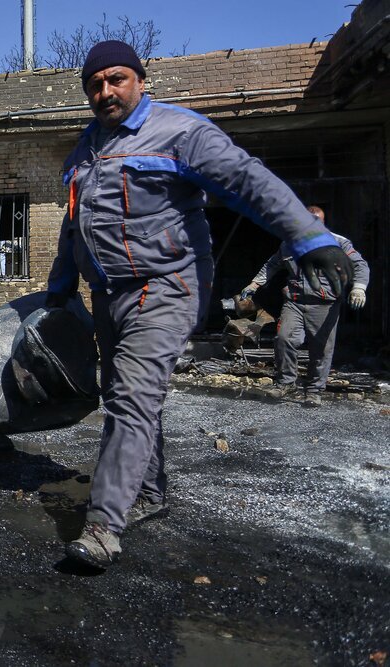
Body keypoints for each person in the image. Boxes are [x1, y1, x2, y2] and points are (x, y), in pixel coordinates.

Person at [46, 41, 353, 569]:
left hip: (167, 286)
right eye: (95, 85)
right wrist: (56, 293)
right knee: (122, 392)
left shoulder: (179, 131)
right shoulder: (84, 153)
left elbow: (248, 182)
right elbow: (73, 230)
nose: (106, 91)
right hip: (109, 292)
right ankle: (148, 493)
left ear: (140, 81)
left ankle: (102, 528)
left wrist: (310, 237)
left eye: (117, 79)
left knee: (133, 397)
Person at [242, 205, 369, 407]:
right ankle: (286, 383)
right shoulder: (290, 244)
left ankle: (314, 391)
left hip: (324, 305)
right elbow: (273, 264)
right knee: (284, 339)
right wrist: (254, 283)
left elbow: (359, 264)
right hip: (294, 302)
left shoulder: (338, 243)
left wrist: (359, 288)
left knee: (321, 349)